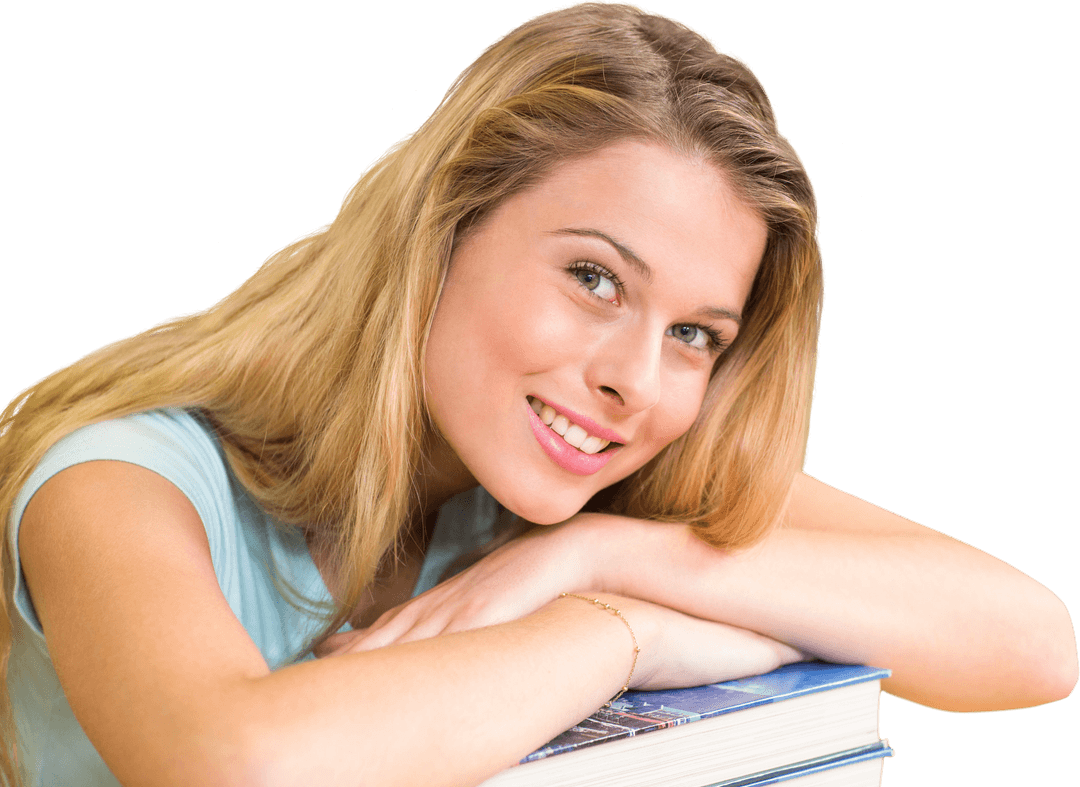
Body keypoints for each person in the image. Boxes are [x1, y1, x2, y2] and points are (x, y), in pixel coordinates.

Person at [1, 2, 1075, 785]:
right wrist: (623, 635)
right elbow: (241, 765)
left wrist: (605, 559)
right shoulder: (117, 479)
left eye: (694, 335)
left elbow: (1033, 643)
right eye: (595, 278)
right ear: (440, 233)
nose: (633, 382)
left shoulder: (593, 481)